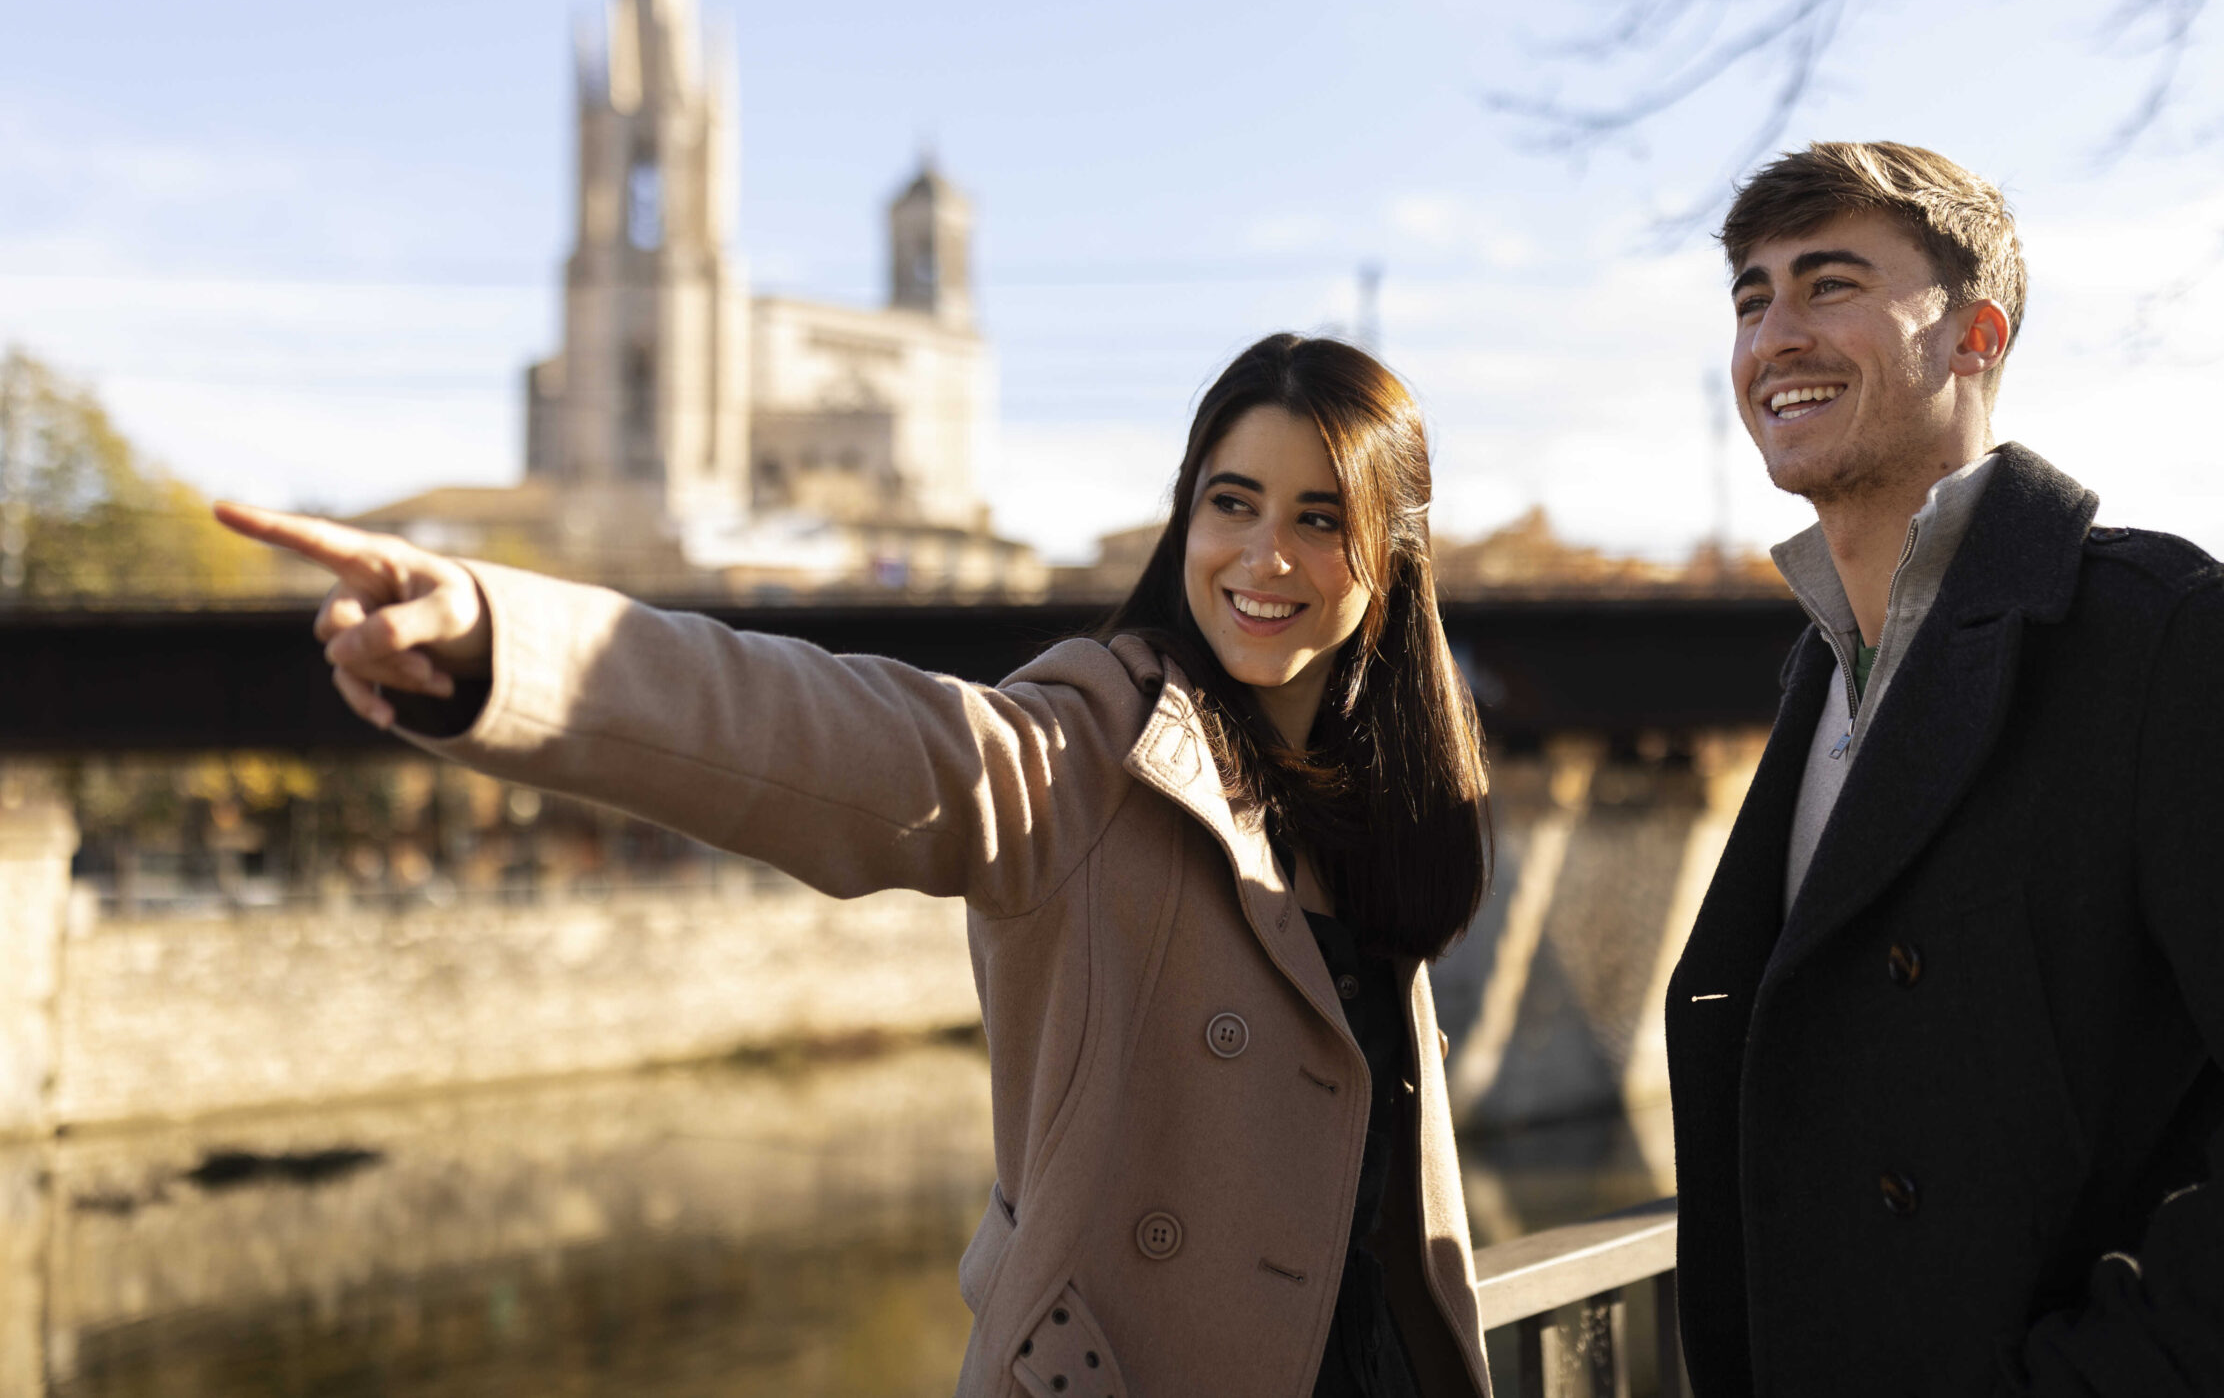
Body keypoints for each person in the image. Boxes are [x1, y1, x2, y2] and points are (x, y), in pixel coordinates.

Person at [219, 333, 1497, 1398]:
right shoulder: (1090, 747)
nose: (1262, 556)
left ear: (1385, 558)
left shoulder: (1372, 806)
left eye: (1318, 517)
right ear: (1185, 520)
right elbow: (825, 732)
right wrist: (507, 645)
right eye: (1233, 502)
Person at [1664, 142, 2224, 1396]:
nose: (1772, 336)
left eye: (1829, 285)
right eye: (1751, 298)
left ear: (1975, 336)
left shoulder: (2168, 640)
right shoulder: (1822, 679)